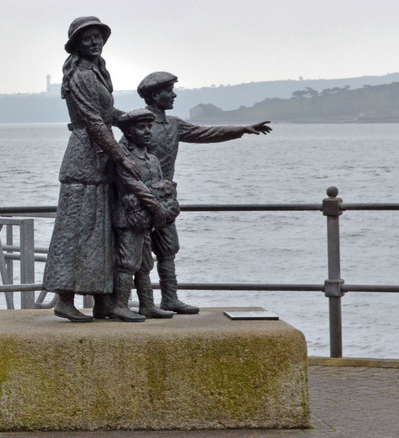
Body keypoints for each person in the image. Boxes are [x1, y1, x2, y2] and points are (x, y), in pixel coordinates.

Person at [137, 71, 272, 314]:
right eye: (168, 90)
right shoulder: (138, 124)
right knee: (140, 253)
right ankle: (146, 304)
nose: (173, 95)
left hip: (165, 198)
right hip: (138, 198)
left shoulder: (174, 124)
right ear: (155, 95)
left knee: (168, 249)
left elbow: (205, 133)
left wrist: (241, 129)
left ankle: (170, 299)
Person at [43, 16, 144, 322]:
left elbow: (106, 114)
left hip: (99, 158)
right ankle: (64, 298)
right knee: (77, 230)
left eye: (98, 37)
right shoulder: (81, 76)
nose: (94, 42)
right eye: (87, 39)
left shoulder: (96, 73)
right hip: (85, 158)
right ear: (76, 44)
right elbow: (93, 122)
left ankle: (105, 301)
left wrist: (129, 119)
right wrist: (121, 155)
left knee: (100, 232)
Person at [113, 109, 177, 319]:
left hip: (147, 220)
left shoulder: (152, 159)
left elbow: (159, 185)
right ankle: (120, 305)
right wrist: (156, 207)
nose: (148, 131)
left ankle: (147, 305)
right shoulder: (124, 159)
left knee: (145, 264)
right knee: (128, 263)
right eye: (141, 128)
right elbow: (134, 187)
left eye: (149, 127)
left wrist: (165, 204)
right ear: (129, 133)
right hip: (129, 219)